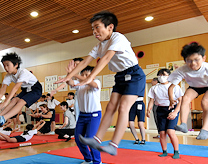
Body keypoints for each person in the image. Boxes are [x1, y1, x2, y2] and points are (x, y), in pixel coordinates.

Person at [56, 11, 146, 156]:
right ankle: (96, 139)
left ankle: (113, 145)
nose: (94, 32)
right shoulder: (99, 46)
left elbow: (105, 59)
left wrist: (90, 77)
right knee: (110, 107)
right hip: (120, 76)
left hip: (135, 75)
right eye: (93, 28)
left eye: (97, 27)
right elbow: (85, 62)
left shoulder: (118, 38)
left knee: (123, 108)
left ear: (110, 27)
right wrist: (68, 77)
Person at [0, 53, 42, 127]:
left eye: (7, 65)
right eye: (4, 66)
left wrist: (5, 102)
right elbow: (3, 88)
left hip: (36, 90)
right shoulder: (8, 75)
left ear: (16, 65)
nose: (5, 68)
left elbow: (16, 87)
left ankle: (4, 118)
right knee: (13, 100)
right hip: (26, 90)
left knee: (20, 102)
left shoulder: (23, 72)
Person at [168, 43, 208, 140]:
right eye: (189, 61)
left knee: (205, 102)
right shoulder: (182, 70)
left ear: (203, 58)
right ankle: (183, 124)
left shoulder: (206, 68)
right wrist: (171, 99)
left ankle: (205, 130)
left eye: (196, 60)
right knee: (185, 98)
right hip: (195, 86)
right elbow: (171, 87)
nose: (193, 63)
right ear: (184, 60)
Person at [68, 65, 102, 164]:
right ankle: (88, 159)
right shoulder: (80, 85)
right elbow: (70, 82)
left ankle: (97, 161)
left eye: (87, 75)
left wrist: (75, 74)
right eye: (83, 74)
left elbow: (90, 82)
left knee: (90, 138)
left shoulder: (97, 82)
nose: (84, 77)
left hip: (94, 115)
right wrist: (69, 74)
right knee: (78, 139)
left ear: (93, 75)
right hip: (82, 115)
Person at [147, 68, 182, 159]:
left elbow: (181, 101)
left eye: (164, 75)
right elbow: (151, 100)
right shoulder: (154, 88)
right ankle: (164, 151)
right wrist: (148, 109)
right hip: (160, 110)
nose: (162, 77)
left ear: (169, 76)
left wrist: (175, 112)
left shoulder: (174, 86)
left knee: (170, 132)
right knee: (162, 133)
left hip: (172, 109)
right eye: (160, 75)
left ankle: (176, 151)